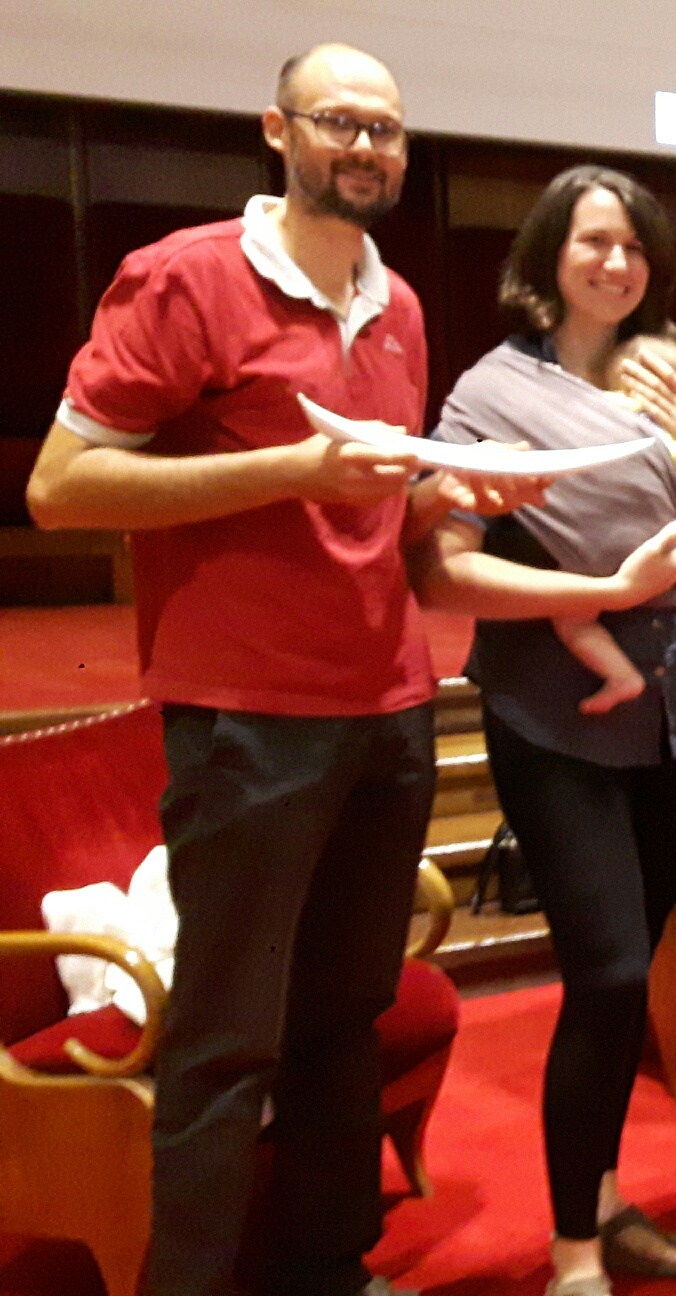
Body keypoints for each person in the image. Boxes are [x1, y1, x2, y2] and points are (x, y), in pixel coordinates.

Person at [23, 44, 535, 1296]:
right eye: (339, 122)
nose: (365, 148)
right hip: (248, 722)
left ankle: (324, 1267)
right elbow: (60, 487)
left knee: (343, 1023)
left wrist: (445, 495)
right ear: (277, 130)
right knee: (224, 1038)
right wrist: (290, 471)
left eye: (386, 130)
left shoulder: (399, 303)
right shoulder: (186, 279)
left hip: (389, 708)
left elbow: (375, 516)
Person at [419, 165, 676, 1296]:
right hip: (555, 716)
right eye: (595, 241)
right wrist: (590, 594)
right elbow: (441, 570)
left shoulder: (670, 372)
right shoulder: (492, 389)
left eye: (636, 245)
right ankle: (573, 1256)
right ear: (549, 255)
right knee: (606, 975)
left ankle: (600, 1200)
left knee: (630, 976)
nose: (617, 262)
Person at [551, 332, 676, 714]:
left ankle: (620, 674)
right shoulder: (671, 436)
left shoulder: (589, 413)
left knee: (573, 621)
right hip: (665, 537)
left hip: (599, 542)